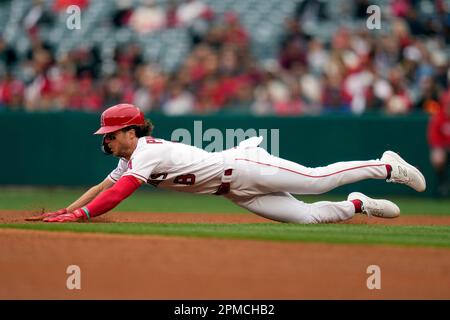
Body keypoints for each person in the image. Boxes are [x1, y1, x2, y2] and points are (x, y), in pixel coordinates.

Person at [28, 103, 426, 223]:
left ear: (131, 130)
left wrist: (81, 216)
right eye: (106, 136)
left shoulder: (145, 152)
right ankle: (358, 204)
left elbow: (119, 194)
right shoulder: (132, 157)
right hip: (237, 192)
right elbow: (103, 188)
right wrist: (70, 209)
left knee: (317, 180)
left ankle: (387, 166)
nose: (108, 140)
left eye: (111, 134)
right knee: (307, 218)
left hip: (245, 167)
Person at [427, 91, 450, 196]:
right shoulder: (438, 117)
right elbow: (433, 138)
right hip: (443, 148)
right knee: (438, 157)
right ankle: (442, 184)